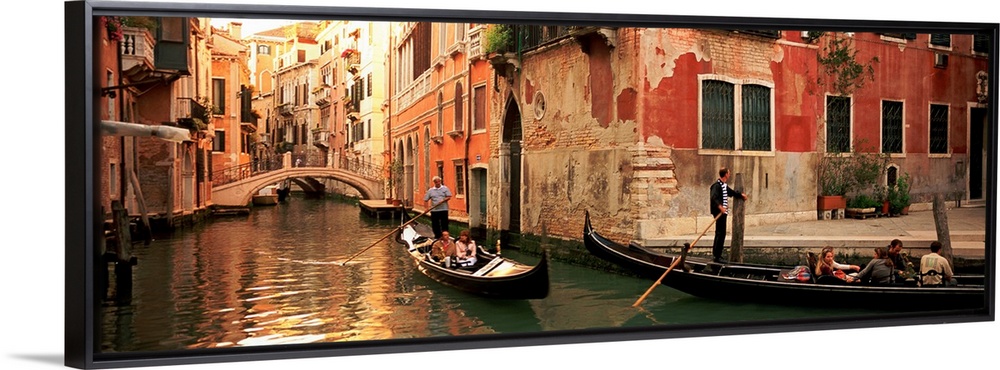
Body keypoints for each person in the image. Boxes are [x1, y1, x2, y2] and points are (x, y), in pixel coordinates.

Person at [709, 167, 747, 263]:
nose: (729, 174)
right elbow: (713, 198)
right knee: (720, 233)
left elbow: (732, 192)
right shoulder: (716, 186)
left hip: (723, 213)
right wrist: (720, 207)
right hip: (719, 213)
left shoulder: (724, 186)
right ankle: (717, 256)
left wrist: (741, 195)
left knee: (721, 233)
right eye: (728, 173)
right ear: (725, 174)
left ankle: (717, 255)